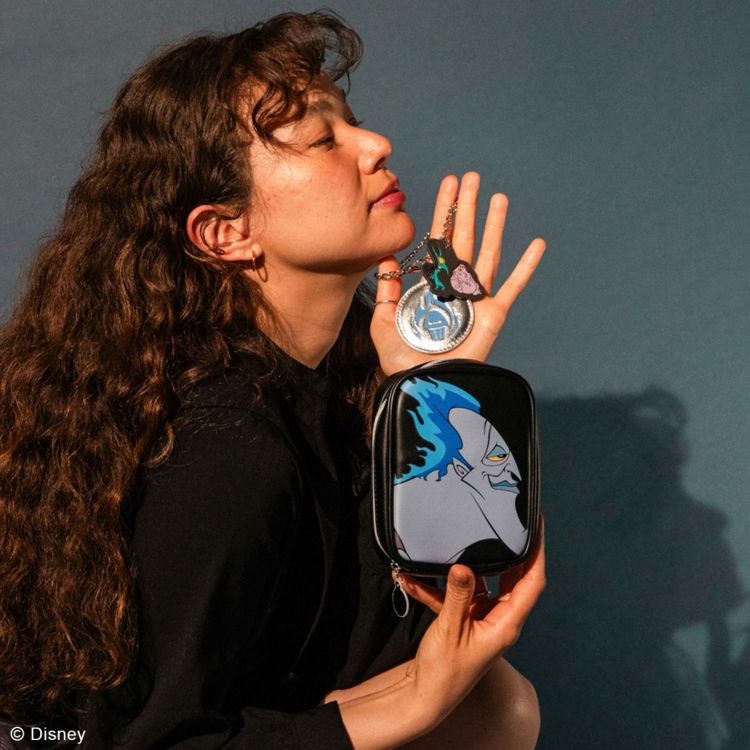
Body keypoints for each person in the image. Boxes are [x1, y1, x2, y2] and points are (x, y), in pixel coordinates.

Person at [0, 11, 546, 749]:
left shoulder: (339, 386)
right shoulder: (223, 445)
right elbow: (152, 738)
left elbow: (387, 638)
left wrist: (428, 391)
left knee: (495, 703)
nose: (377, 145)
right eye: (322, 139)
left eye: (353, 123)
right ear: (226, 233)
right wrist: (408, 706)